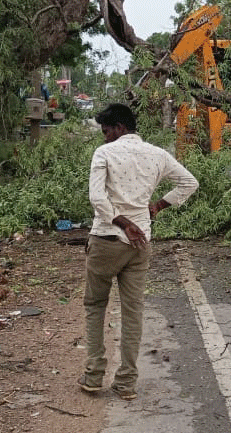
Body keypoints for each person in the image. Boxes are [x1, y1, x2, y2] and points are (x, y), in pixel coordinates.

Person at [81, 103, 199, 399]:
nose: (105, 137)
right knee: (133, 312)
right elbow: (189, 182)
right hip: (140, 244)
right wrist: (157, 206)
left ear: (119, 128)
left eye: (106, 131)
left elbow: (97, 197)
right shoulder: (157, 154)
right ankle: (126, 383)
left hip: (107, 240)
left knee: (96, 306)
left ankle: (94, 376)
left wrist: (122, 222)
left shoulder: (105, 153)